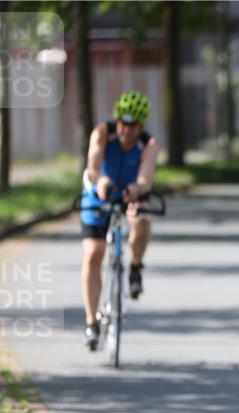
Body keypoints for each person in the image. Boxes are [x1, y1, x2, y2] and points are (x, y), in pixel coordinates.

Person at [79, 91, 159, 351]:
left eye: (133, 125)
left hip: (129, 192)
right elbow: (93, 166)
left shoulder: (149, 145)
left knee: (142, 219)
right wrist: (100, 180)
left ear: (141, 126)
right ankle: (92, 322)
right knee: (93, 253)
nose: (126, 130)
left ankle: (135, 266)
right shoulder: (103, 132)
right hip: (99, 191)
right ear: (117, 121)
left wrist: (137, 190)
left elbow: (146, 179)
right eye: (123, 123)